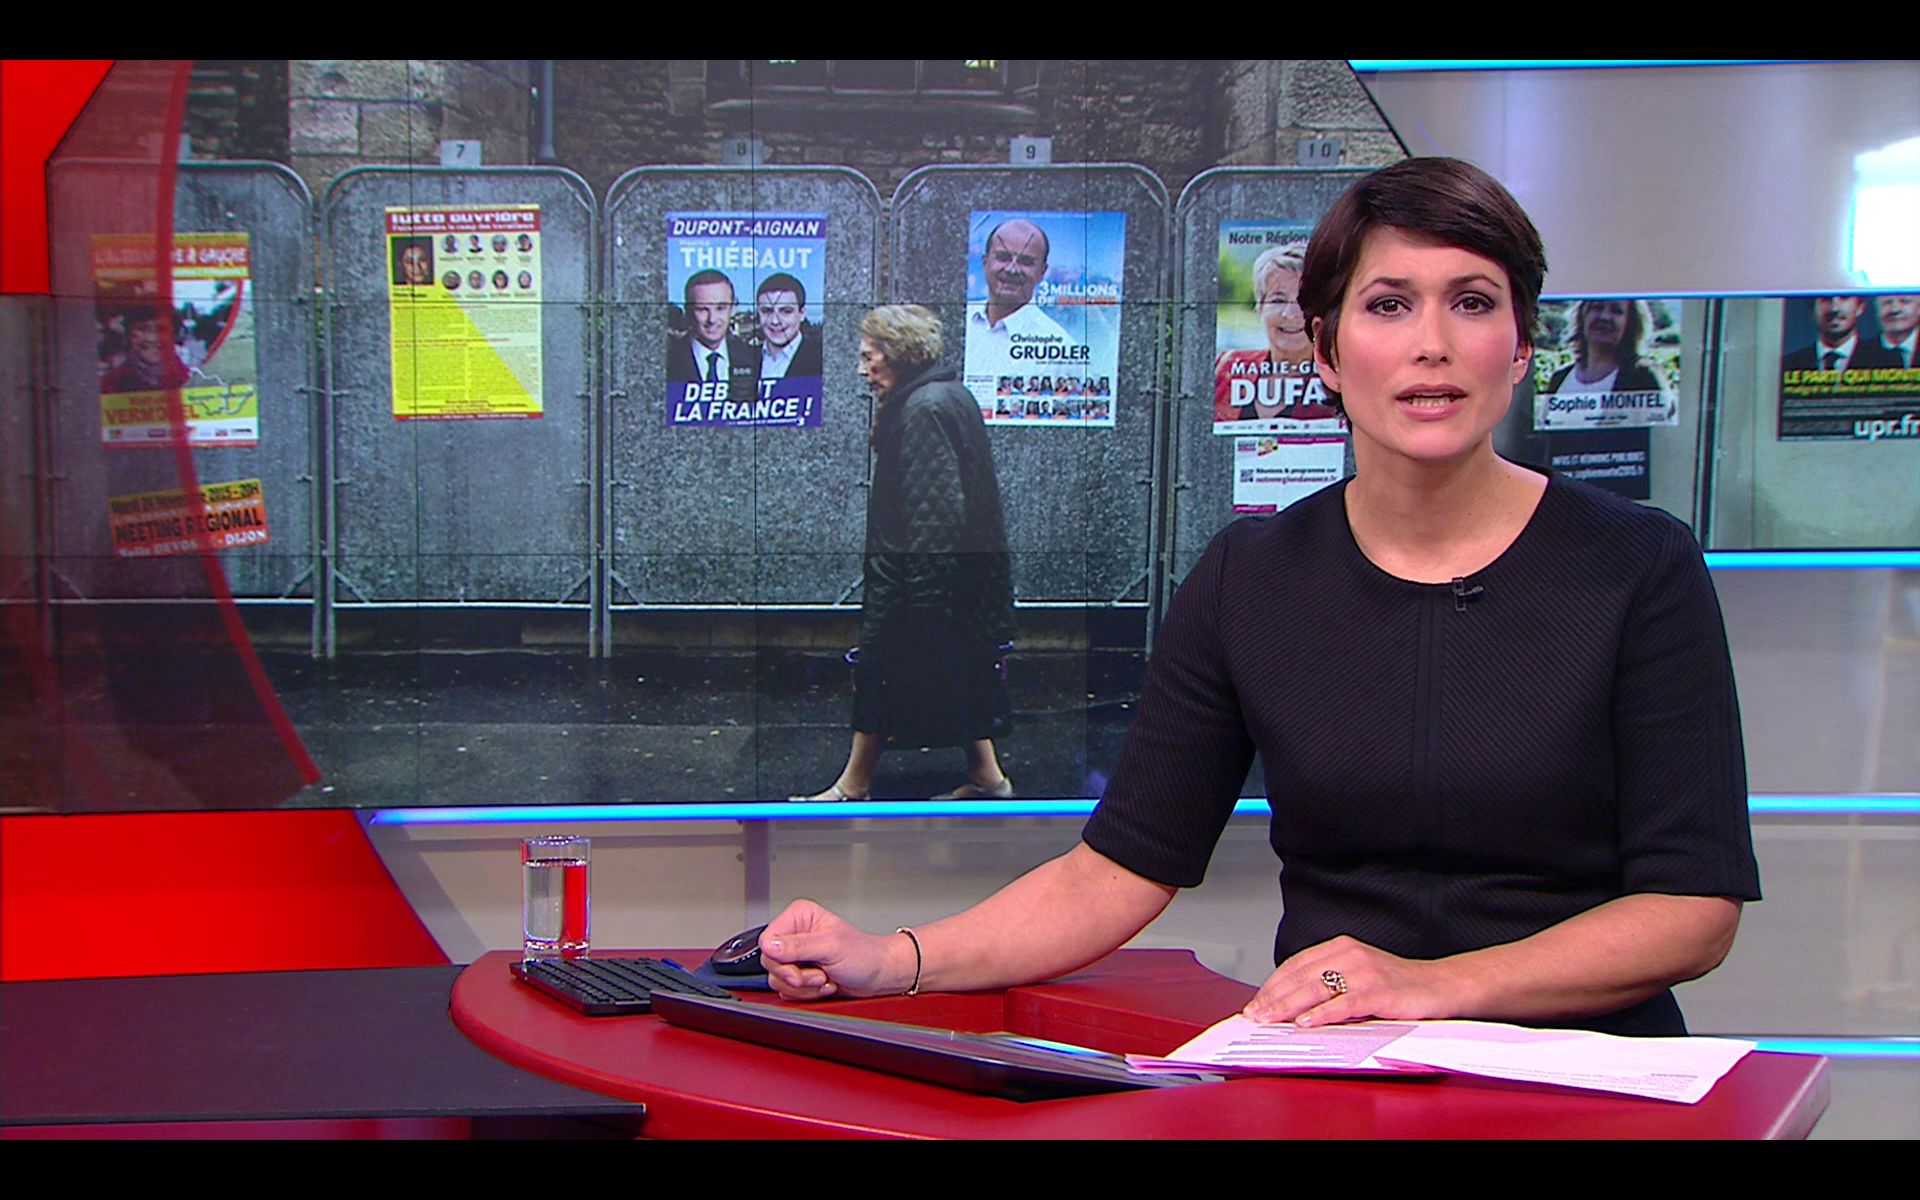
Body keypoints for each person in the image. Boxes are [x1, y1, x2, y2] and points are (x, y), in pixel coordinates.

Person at [761, 158, 1759, 1039]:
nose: (1433, 343)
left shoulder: (1639, 565)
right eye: (1389, 305)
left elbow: (1692, 909)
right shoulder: (1253, 576)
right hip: (1336, 1066)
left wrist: (1433, 986)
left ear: (1521, 344)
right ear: (1324, 350)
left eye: (1472, 302)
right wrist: (892, 958)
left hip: (1590, 1077)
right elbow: (1114, 872)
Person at [790, 304, 1016, 804]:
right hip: (954, 583)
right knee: (959, 677)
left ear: (899, 354)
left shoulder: (923, 410)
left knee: (879, 675)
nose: (863, 370)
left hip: (919, 585)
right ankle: (988, 777)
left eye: (869, 357)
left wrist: (924, 599)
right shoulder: (946, 395)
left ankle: (853, 785)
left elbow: (937, 513)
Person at [1213, 241, 1338, 422]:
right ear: (1260, 308)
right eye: (1278, 300)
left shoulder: (1340, 381)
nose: (1290, 314)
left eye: (1304, 302)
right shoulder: (1225, 367)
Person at [962, 218, 1073, 384]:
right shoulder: (958, 322)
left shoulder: (1062, 349)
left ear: (1042, 272)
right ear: (985, 263)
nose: (1012, 269)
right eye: (1003, 257)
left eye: (1025, 262)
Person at [667, 269, 759, 404]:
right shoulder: (668, 361)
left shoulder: (755, 359)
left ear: (733, 308)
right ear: (688, 310)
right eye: (702, 309)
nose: (712, 319)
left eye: (720, 308)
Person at [1543, 299, 1667, 397]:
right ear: (1582, 316)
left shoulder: (1644, 377)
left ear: (1630, 322)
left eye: (1616, 310)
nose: (1604, 317)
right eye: (1597, 307)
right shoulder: (1559, 379)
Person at [101, 307, 191, 392]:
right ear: (129, 334)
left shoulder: (190, 379)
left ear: (174, 334)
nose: (152, 338)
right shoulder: (110, 385)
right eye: (142, 329)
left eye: (161, 329)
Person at [755, 272, 821, 384]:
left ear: (802, 314)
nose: (775, 321)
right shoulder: (746, 358)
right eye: (767, 311)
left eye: (786, 311)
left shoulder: (820, 357)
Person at [1782, 295, 1873, 373]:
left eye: (1844, 297)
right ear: (1812, 309)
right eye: (1825, 298)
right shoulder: (1789, 364)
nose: (1834, 309)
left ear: (1860, 307)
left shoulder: (1879, 358)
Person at [1868, 294, 1920, 368]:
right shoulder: (1861, 353)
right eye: (1887, 302)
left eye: (1905, 302)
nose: (1895, 310)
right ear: (1877, 310)